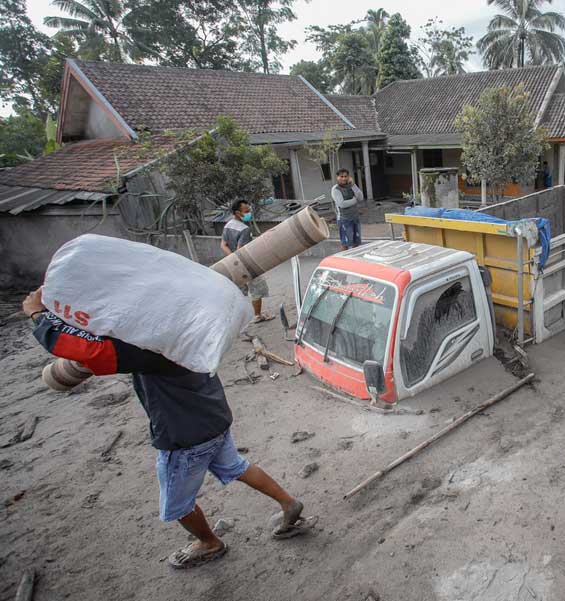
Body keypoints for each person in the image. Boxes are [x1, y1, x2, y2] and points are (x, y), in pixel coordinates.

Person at [22, 289, 318, 570]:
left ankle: (208, 542)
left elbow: (88, 351)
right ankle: (288, 503)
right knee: (235, 466)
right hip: (213, 416)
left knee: (177, 503)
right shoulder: (186, 324)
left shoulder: (147, 345)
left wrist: (39, 316)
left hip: (184, 436)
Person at [221, 200, 273, 323]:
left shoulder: (228, 225)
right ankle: (257, 316)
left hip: (234, 265)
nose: (249, 213)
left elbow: (223, 245)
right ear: (238, 212)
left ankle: (240, 318)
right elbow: (241, 250)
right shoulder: (244, 229)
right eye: (247, 211)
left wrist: (232, 258)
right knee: (256, 289)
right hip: (246, 264)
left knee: (241, 291)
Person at [331, 168, 364, 250]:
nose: (344, 178)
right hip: (344, 220)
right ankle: (344, 261)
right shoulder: (335, 189)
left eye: (346, 176)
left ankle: (354, 260)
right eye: (341, 176)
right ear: (337, 177)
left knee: (356, 242)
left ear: (349, 177)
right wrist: (354, 200)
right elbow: (342, 204)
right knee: (345, 243)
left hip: (355, 218)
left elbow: (360, 197)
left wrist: (353, 185)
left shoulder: (351, 186)